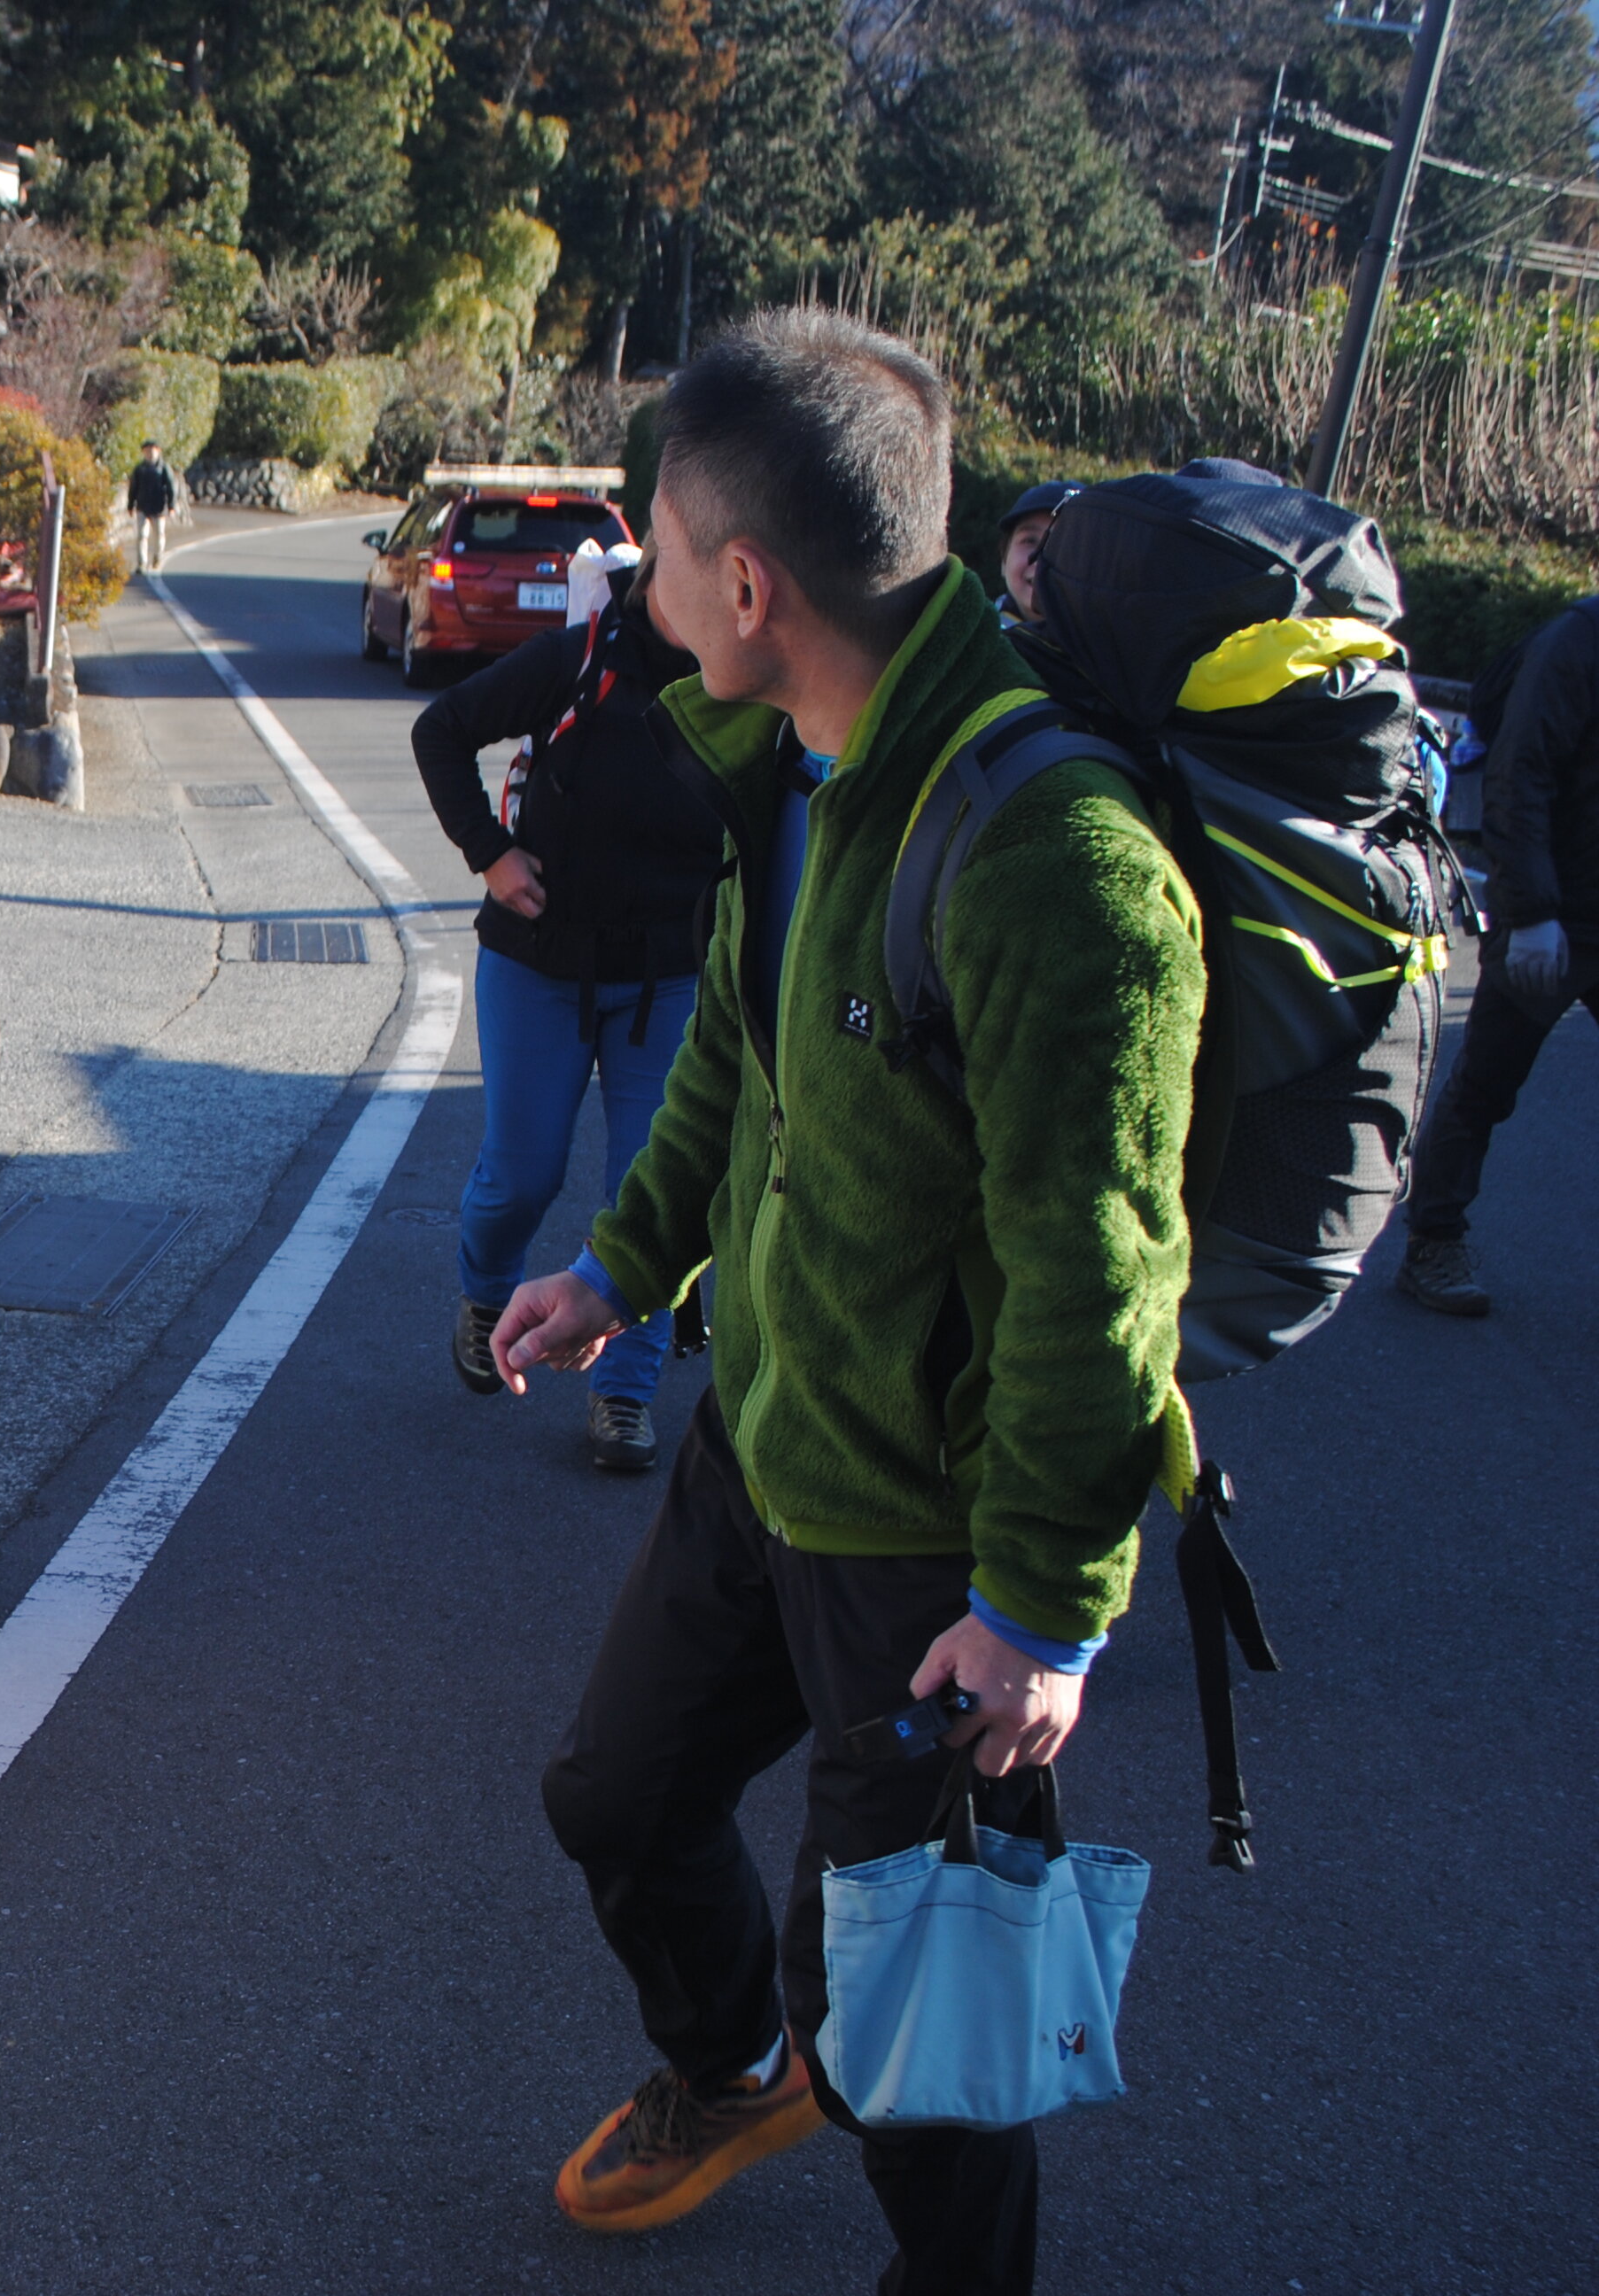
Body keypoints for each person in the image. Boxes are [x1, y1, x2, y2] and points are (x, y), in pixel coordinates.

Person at [494, 310, 1202, 2289]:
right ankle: (728, 2070)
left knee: (917, 2034)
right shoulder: (792, 761)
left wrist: (1046, 1604)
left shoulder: (1055, 859)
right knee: (614, 1796)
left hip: (932, 1555)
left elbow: (1102, 1267)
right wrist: (616, 1267)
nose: (636, 584)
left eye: (652, 545)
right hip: (769, 1442)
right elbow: (740, 1051)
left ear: (746, 581)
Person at [412, 547, 718, 1472]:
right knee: (521, 1172)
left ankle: (622, 1396)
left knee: (646, 1189)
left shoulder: (740, 683)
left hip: (667, 978)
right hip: (538, 965)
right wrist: (490, 855)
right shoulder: (579, 658)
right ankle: (482, 1295)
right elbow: (442, 729)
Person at [1395, 593, 1599, 1315]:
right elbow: (1522, 776)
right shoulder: (1575, 647)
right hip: (1558, 911)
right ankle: (1434, 1243)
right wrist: (1535, 913)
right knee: (1487, 1083)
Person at [993, 478, 1079, 628]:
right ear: (1004, 560)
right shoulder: (975, 640)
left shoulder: (1119, 647)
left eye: (1066, 545)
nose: (1041, 559)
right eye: (1030, 541)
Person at [127, 439, 181, 573]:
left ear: (158, 451)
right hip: (142, 506)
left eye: (152, 450)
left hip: (159, 507)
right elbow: (133, 487)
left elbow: (170, 487)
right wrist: (130, 504)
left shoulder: (164, 468)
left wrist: (171, 506)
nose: (150, 453)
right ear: (143, 453)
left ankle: (157, 557)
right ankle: (142, 563)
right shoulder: (139, 469)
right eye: (147, 451)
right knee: (142, 535)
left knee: (159, 535)